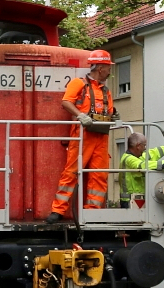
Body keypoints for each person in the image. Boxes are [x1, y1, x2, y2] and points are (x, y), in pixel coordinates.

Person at [47, 50, 119, 223]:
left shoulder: (106, 91)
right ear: (100, 67)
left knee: (99, 174)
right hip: (82, 135)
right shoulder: (79, 84)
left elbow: (109, 111)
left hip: (101, 137)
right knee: (72, 171)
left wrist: (114, 115)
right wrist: (80, 115)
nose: (110, 71)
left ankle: (92, 212)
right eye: (108, 67)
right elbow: (66, 101)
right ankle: (58, 210)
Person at [119, 130, 164, 208]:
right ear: (138, 146)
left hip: (139, 199)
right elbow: (143, 165)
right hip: (128, 201)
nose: (145, 148)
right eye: (144, 145)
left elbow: (154, 153)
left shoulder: (138, 156)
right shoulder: (128, 159)